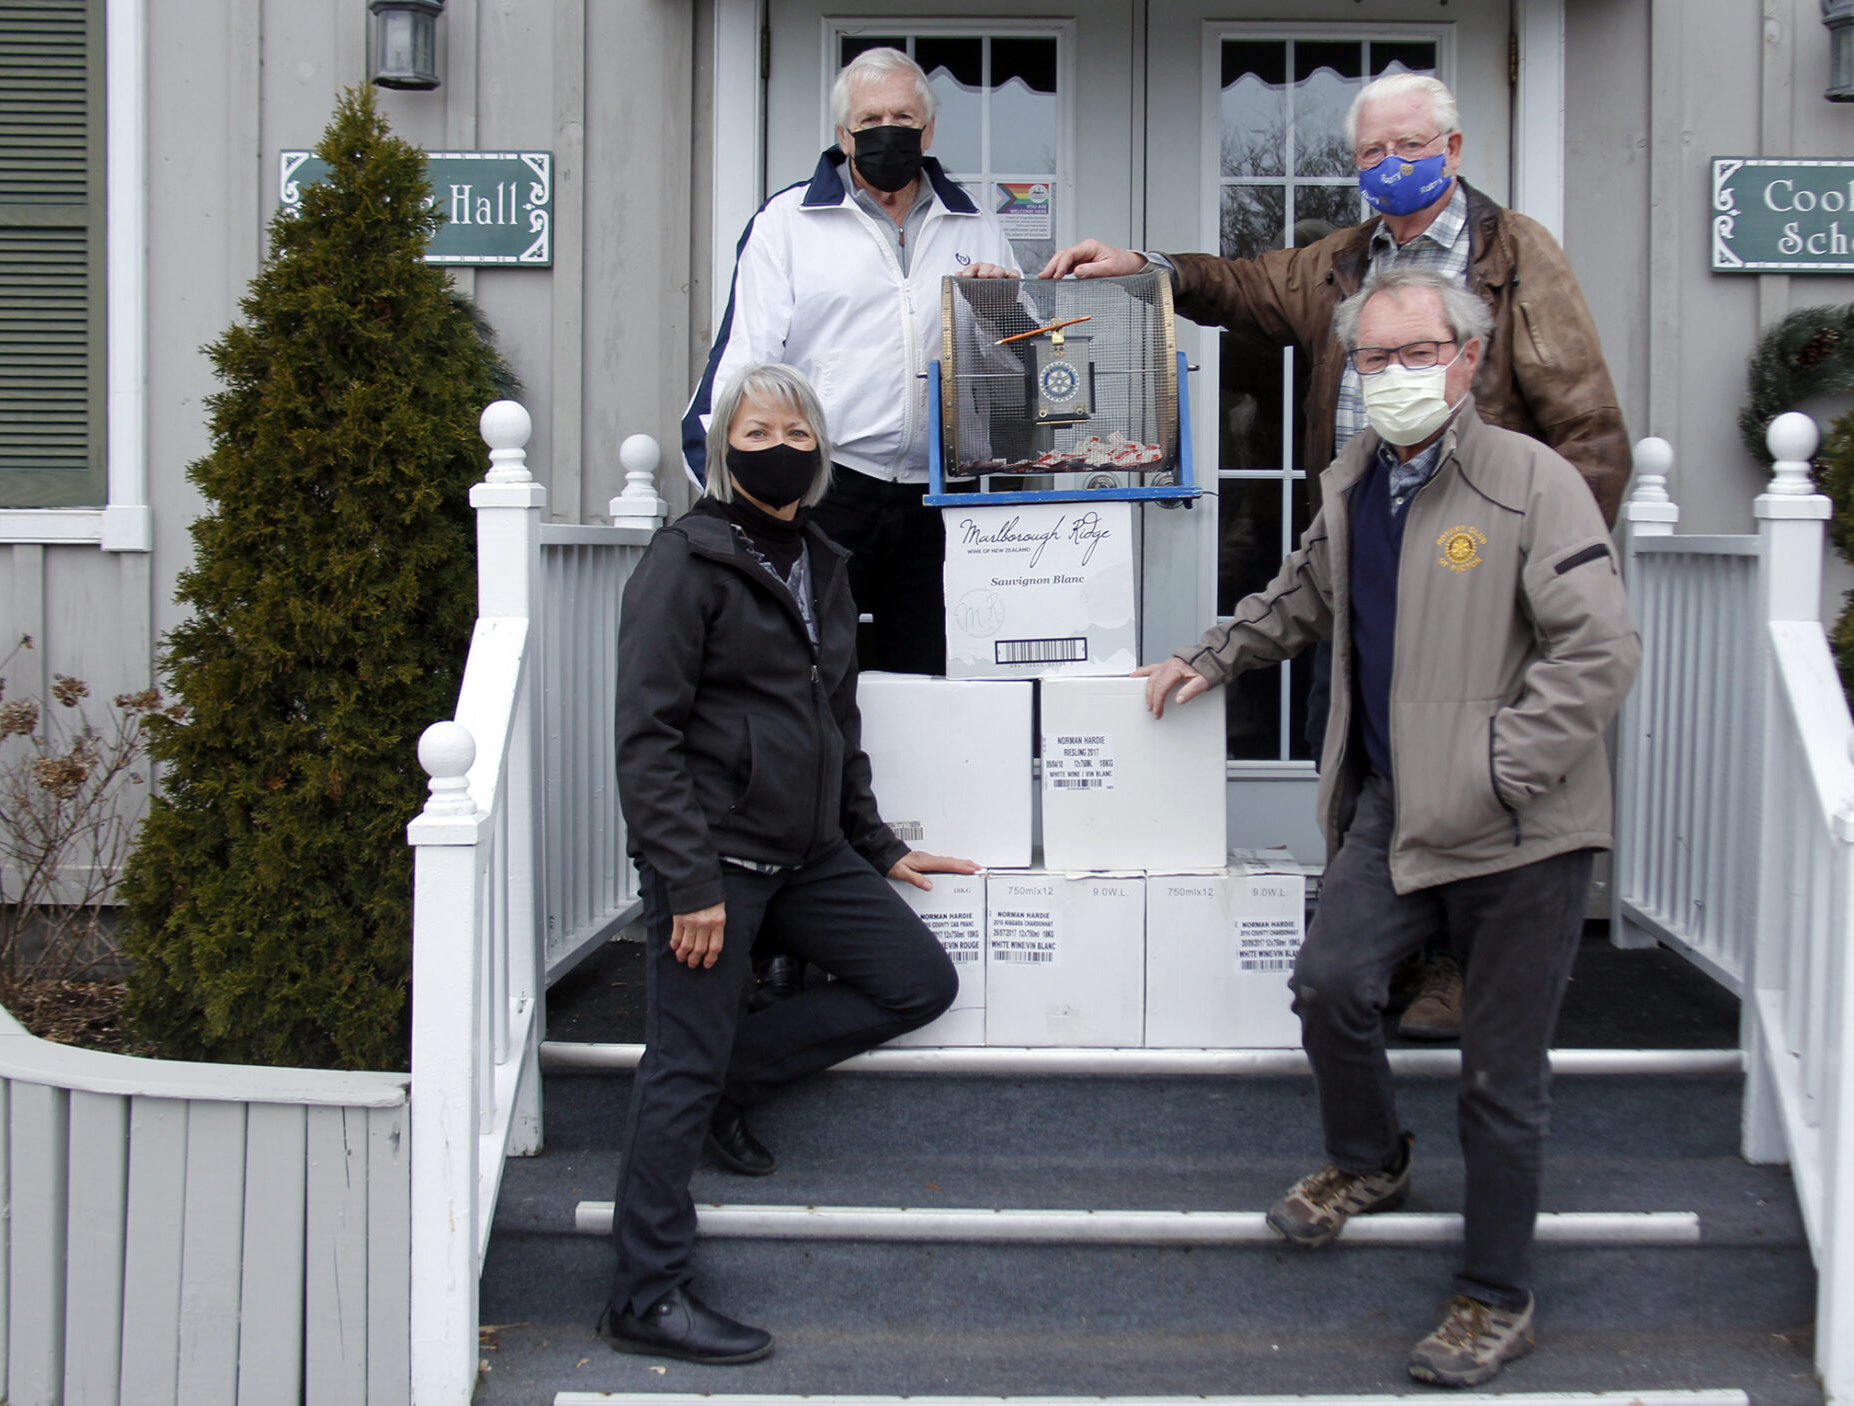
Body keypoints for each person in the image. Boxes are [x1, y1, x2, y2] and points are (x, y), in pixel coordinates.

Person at [1132, 269, 1640, 1388]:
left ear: (1467, 359)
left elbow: (1597, 650)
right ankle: (1370, 1158)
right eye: (1374, 358)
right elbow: (1305, 594)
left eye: (1418, 354)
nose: (1395, 376)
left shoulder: (1531, 482)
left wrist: (1502, 770)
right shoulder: (1358, 476)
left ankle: (1493, 1295)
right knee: (1329, 983)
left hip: (1522, 833)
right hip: (1394, 810)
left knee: (1498, 1077)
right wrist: (1205, 657)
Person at [1044, 72, 1634, 1035]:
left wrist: (1546, 573)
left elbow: (1590, 433)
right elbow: (1241, 283)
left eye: (1408, 146)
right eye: (1370, 153)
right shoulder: (1342, 262)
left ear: (1451, 147)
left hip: (1475, 561)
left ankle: (1451, 966)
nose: (1390, 166)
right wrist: (1145, 267)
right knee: (1362, 756)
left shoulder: (1516, 254)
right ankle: (1382, 952)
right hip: (1368, 552)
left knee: (1460, 771)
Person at [609, 362, 980, 1364]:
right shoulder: (683, 562)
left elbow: (835, 720)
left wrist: (874, 841)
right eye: (758, 427)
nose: (779, 443)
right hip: (713, 860)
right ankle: (645, 1291)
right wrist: (685, 881)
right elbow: (645, 736)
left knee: (915, 979)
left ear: (820, 452)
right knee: (677, 1060)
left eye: (796, 429)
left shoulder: (821, 559)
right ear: (725, 446)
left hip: (810, 852)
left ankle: (738, 1068)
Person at [683, 47, 1019, 676]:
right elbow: (742, 366)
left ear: (929, 129)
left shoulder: (978, 227)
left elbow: (1011, 384)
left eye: (902, 116)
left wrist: (1002, 314)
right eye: (869, 120)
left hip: (941, 497)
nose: (886, 131)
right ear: (843, 134)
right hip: (829, 486)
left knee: (934, 675)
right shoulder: (786, 224)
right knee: (811, 670)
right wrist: (729, 495)